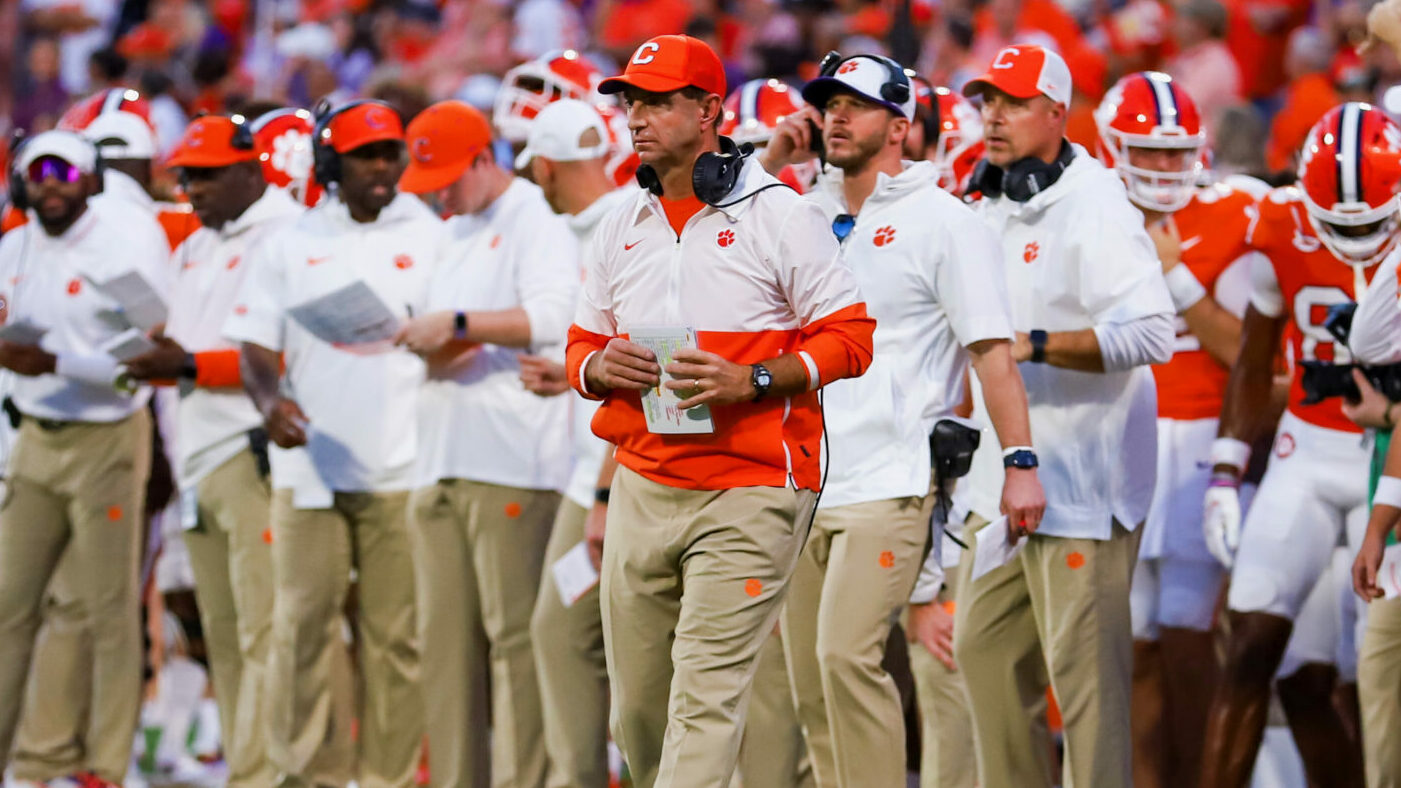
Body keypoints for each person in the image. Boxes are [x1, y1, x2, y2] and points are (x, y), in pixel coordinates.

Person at [564, 34, 876, 788]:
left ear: (708, 110)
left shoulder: (778, 215)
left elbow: (852, 338)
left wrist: (756, 381)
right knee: (637, 713)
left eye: (657, 101)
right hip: (645, 478)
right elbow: (580, 345)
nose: (637, 116)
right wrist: (599, 368)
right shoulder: (619, 222)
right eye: (630, 101)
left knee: (702, 701)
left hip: (752, 484)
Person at [764, 52, 1045, 788]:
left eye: (853, 105)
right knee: (808, 686)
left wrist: (1020, 463)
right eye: (827, 104)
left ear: (900, 124)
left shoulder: (945, 222)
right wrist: (768, 156)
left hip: (889, 477)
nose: (834, 117)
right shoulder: (797, 210)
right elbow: (716, 238)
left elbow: (990, 354)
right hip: (800, 478)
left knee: (843, 658)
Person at [952, 44, 1174, 788]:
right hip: (1001, 480)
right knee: (980, 653)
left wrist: (1035, 344)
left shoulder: (1096, 203)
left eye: (1011, 102)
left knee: (1086, 696)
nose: (992, 115)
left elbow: (1151, 333)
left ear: (1056, 113)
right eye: (986, 99)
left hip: (1083, 484)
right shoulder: (986, 198)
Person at [223, 99, 440, 788]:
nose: (380, 168)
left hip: (401, 463)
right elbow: (255, 344)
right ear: (329, 164)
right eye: (363, 156)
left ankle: (390, 778)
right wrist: (268, 401)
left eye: (388, 153)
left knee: (396, 640)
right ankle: (305, 777)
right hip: (308, 467)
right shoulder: (289, 240)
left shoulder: (431, 231)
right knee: (301, 632)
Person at [1197, 102, 1398, 788]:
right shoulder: (1280, 221)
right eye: (1335, 222)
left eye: (1370, 222)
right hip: (1306, 450)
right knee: (1258, 653)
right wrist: (1226, 467)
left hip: (1388, 457)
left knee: (1378, 675)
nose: (1352, 238)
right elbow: (1253, 358)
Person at [393, 98, 578, 788]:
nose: (439, 189)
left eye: (447, 173)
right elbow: (439, 326)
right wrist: (431, 336)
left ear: (483, 159)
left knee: (513, 642)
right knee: (442, 648)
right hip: (439, 448)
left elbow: (555, 314)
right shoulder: (452, 230)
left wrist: (461, 323)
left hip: (510, 457)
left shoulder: (533, 217)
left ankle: (520, 779)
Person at [119, 113, 306, 787]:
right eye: (186, 174)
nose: (192, 187)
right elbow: (187, 344)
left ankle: (271, 772)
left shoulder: (285, 234)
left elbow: (280, 356)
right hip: (198, 450)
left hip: (248, 445)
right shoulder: (198, 243)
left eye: (206, 174)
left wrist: (188, 363)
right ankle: (245, 764)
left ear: (251, 170)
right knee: (223, 633)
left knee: (264, 627)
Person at [1093, 71, 1256, 788]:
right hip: (1113, 437)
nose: (1162, 168)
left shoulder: (1238, 212)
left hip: (1198, 442)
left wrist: (1178, 276)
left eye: (1174, 152)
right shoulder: (1086, 212)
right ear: (1112, 146)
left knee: (1193, 640)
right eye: (1146, 152)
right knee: (1131, 650)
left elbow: (1244, 354)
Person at [0, 130, 170, 788]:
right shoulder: (12, 248)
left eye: (62, 171)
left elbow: (151, 360)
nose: (49, 183)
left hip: (105, 436)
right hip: (36, 435)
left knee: (107, 609)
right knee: (11, 605)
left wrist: (58, 362)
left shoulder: (123, 246)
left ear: (91, 179)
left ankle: (106, 762)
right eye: (37, 171)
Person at [514, 98, 634, 788]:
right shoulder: (584, 228)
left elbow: (640, 361)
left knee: (572, 635)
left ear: (547, 166)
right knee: (566, 633)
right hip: (587, 467)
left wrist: (602, 492)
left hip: (613, 468)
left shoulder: (616, 229)